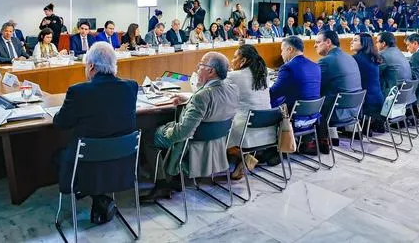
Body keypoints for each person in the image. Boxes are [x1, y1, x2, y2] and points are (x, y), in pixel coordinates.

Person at [53, 42, 137, 223]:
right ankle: (99, 197)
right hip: (122, 164)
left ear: (91, 66)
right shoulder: (131, 86)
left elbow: (61, 123)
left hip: (85, 165)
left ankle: (93, 194)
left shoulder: (78, 91)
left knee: (57, 155)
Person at [140, 52, 238, 201]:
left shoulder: (202, 97)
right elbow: (212, 101)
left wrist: (165, 130)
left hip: (191, 142)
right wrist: (189, 99)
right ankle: (174, 178)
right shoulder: (232, 88)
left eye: (200, 66)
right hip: (215, 140)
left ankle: (162, 183)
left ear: (211, 71)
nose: (197, 69)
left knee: (147, 136)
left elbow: (181, 134)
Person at [312, 30, 362, 154]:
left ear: (328, 42)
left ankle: (306, 142)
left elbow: (313, 87)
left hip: (335, 113)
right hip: (353, 111)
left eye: (318, 42)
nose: (314, 45)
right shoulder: (350, 58)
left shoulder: (326, 61)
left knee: (302, 100)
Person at [226, 45, 272, 178]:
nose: (232, 60)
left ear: (243, 60)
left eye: (235, 57)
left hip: (246, 127)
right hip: (267, 126)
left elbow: (213, 90)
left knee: (217, 129)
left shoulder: (234, 76)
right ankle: (244, 157)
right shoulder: (264, 73)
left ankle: (243, 155)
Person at [269, 36, 321, 110]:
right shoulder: (316, 66)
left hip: (293, 114)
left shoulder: (287, 67)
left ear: (290, 49)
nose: (281, 54)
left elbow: (273, 93)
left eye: (282, 50)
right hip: (314, 113)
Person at [350, 33, 384, 127]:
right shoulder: (373, 57)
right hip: (378, 99)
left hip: (367, 103)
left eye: (355, 40)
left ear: (364, 43)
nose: (351, 42)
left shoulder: (355, 59)